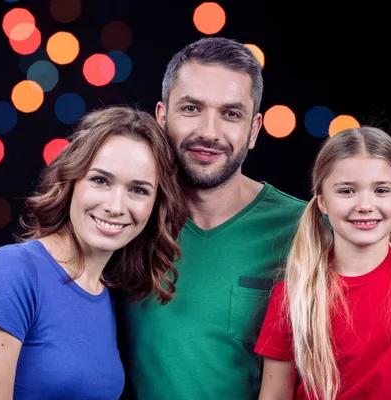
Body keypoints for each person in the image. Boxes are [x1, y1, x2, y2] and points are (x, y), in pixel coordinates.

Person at [118, 37, 307, 399]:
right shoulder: (127, 215)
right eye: (190, 108)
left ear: (253, 130)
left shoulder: (305, 228)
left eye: (231, 114)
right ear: (161, 117)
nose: (209, 132)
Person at [0, 106, 187, 400]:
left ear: (156, 204)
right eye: (100, 180)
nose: (116, 206)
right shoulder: (14, 269)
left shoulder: (111, 292)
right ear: (72, 180)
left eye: (139, 190)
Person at [255, 126, 391, 400]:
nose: (365, 205)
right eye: (346, 191)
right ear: (322, 202)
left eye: (381, 190)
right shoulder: (293, 295)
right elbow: (274, 394)